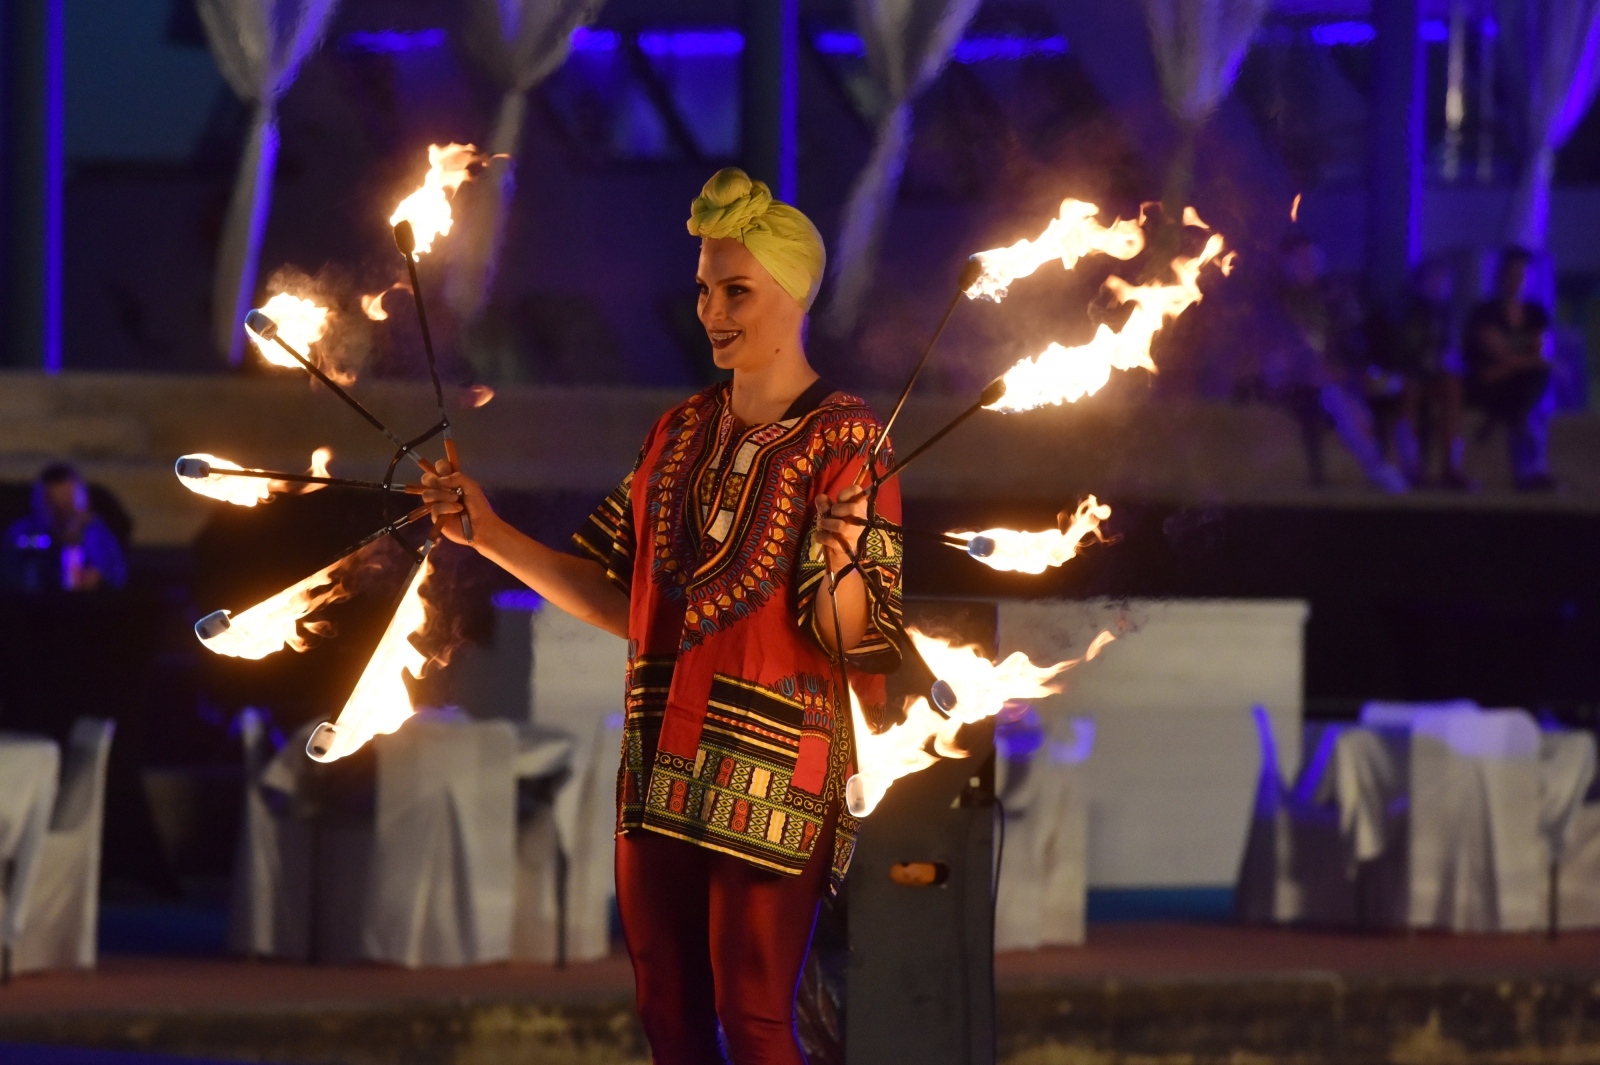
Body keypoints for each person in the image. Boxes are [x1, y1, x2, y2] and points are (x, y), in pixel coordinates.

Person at [420, 169, 903, 1064]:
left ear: (793, 295)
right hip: (660, 756)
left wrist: (840, 554)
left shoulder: (847, 438)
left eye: (737, 292)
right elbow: (628, 601)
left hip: (773, 767)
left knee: (755, 1017)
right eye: (704, 291)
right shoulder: (675, 433)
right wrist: (484, 534)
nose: (713, 311)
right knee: (669, 1019)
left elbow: (849, 634)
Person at [1264, 235, 1407, 493]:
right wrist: (1305, 367)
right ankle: (1376, 466)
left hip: (1335, 375)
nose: (1308, 266)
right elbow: (1274, 348)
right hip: (1293, 379)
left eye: (1312, 259)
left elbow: (1349, 339)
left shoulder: (1332, 299)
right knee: (1336, 398)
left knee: (1391, 387)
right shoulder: (1277, 303)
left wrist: (1344, 365)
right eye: (1301, 260)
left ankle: (1408, 464)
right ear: (1288, 264)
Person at [1465, 246, 1557, 491]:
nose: (1517, 280)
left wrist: (1513, 365)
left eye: (1522, 274)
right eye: (1512, 274)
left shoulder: (1537, 313)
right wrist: (1526, 362)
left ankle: (1530, 470)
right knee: (1529, 388)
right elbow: (1497, 352)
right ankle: (1532, 470)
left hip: (1517, 382)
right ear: (1500, 277)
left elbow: (1539, 353)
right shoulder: (1485, 312)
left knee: (1531, 392)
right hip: (1491, 385)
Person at [1380, 259, 1475, 490]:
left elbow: (1456, 353)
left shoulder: (1450, 315)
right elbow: (1399, 352)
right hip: (1406, 378)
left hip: (1437, 379)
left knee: (1453, 388)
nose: (1439, 285)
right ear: (1419, 283)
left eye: (1444, 280)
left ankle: (1451, 468)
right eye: (1433, 279)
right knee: (1409, 392)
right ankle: (1412, 468)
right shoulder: (1404, 312)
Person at [2, 463, 127, 592]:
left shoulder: (96, 533)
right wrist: (58, 545)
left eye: (69, 504)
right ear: (39, 504)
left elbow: (117, 577)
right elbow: (11, 578)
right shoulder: (22, 534)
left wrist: (99, 577)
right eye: (53, 505)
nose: (62, 515)